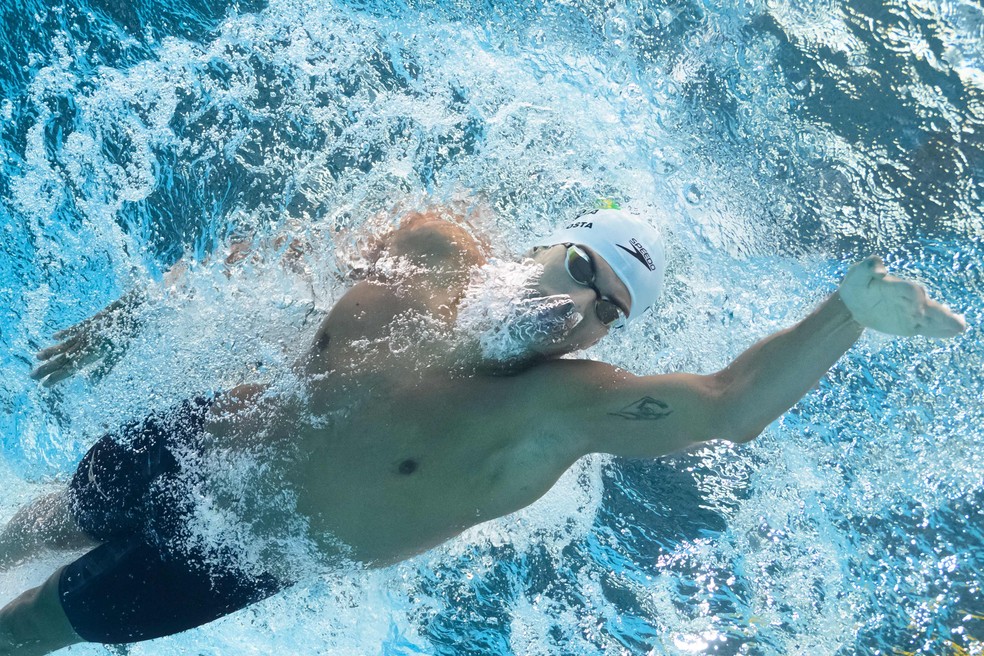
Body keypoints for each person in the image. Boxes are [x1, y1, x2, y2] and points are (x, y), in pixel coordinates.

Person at [0, 205, 966, 655]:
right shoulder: (431, 251)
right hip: (202, 441)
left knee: (37, 622)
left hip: (244, 554)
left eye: (609, 311)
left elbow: (728, 406)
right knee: (42, 523)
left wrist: (843, 316)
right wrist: (126, 319)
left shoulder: (550, 413)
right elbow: (280, 255)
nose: (581, 306)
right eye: (584, 268)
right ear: (546, 244)